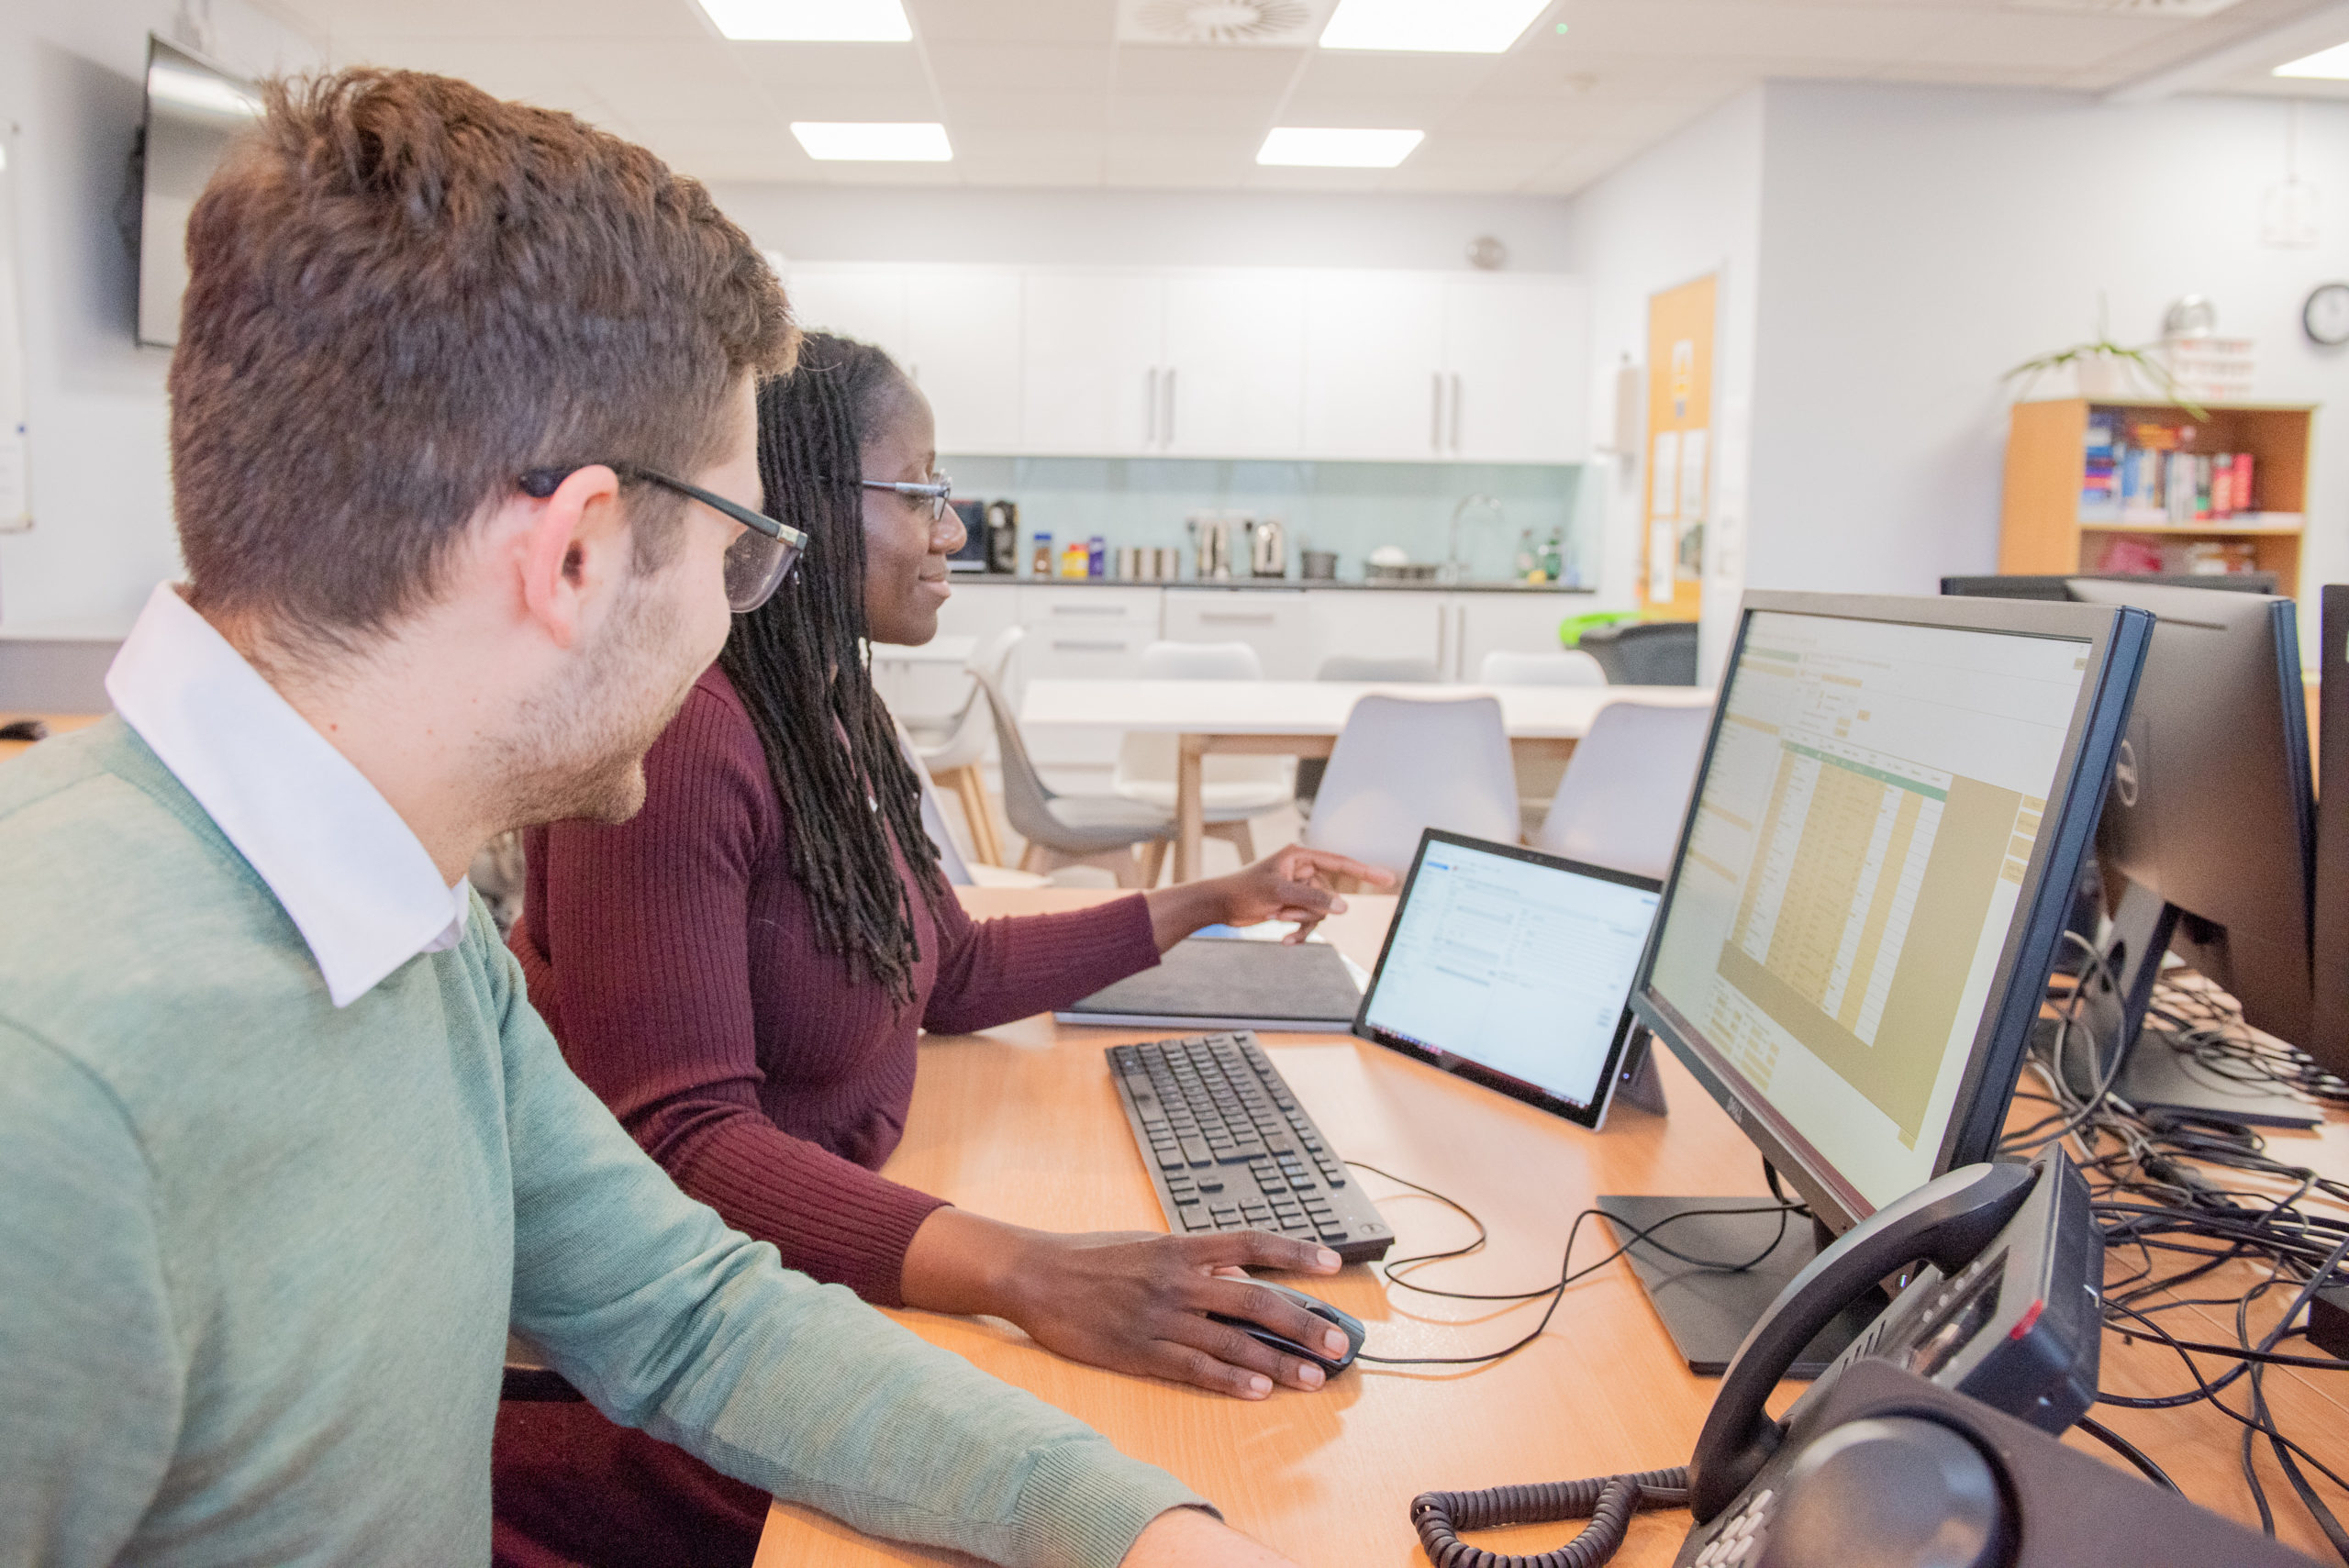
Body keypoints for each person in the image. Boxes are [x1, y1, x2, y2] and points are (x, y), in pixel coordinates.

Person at [0, 69, 1291, 1568]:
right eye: (741, 553)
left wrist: (1144, 1531)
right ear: (576, 556)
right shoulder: (52, 1090)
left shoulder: (397, 906)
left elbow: (686, 1311)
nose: (743, 613)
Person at [493, 333, 1394, 1564]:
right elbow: (680, 1144)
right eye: (921, 492)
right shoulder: (687, 740)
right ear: (802, 502)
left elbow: (949, 968)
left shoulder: (828, 707)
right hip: (684, 1375)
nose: (953, 530)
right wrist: (1027, 1270)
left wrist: (1208, 899)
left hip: (823, 1277)